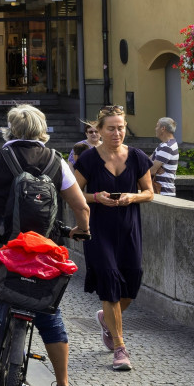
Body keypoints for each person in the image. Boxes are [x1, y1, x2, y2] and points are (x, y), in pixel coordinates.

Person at [0, 106, 91, 386]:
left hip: (1, 247)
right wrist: (81, 231)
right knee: (48, 315)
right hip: (43, 249)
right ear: (43, 130)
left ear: (11, 129)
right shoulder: (58, 161)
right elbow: (82, 208)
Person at [73, 105, 154, 371]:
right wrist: (96, 197)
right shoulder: (88, 159)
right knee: (109, 281)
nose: (117, 132)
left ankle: (105, 319)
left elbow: (149, 192)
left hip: (129, 228)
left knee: (131, 281)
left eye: (121, 127)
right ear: (99, 130)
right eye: (111, 128)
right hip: (99, 229)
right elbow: (73, 193)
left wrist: (133, 197)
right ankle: (120, 348)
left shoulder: (137, 157)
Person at [151, 118, 179, 197]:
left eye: (157, 126)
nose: (155, 129)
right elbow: (147, 160)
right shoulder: (163, 145)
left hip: (164, 193)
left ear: (163, 128)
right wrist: (155, 167)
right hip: (161, 192)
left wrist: (154, 168)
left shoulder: (167, 147)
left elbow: (151, 170)